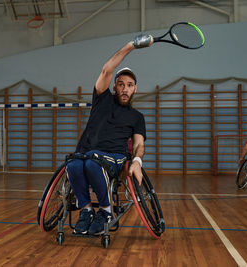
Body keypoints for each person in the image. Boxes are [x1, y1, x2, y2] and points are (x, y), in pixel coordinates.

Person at [66, 34, 153, 235]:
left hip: (113, 157)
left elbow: (139, 144)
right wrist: (131, 46)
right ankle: (86, 211)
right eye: (121, 84)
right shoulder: (102, 99)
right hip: (86, 152)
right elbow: (107, 69)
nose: (125, 89)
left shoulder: (137, 117)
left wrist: (137, 162)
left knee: (91, 163)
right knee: (73, 164)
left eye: (130, 85)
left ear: (135, 89)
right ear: (114, 86)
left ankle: (105, 210)